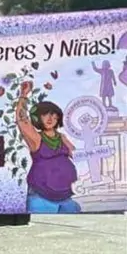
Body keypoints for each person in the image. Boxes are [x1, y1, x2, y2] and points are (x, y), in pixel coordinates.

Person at [15, 81, 80, 213]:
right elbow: (22, 121)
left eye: (54, 115)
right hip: (41, 197)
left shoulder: (61, 137)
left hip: (67, 196)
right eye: (45, 114)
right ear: (38, 117)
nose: (50, 118)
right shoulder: (37, 138)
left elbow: (78, 156)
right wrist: (24, 95)